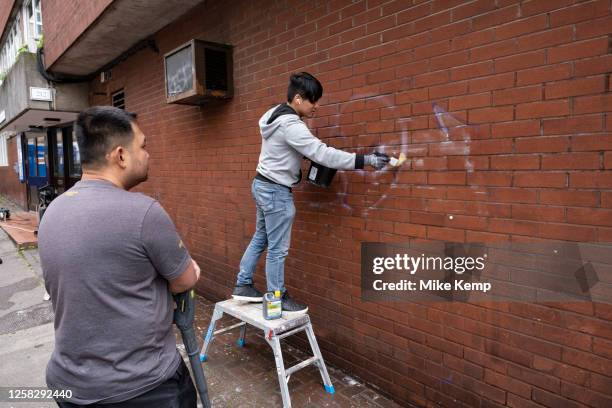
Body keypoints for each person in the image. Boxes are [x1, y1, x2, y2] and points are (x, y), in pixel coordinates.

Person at [38, 106, 201, 407]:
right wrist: (189, 269)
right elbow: (184, 281)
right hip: (143, 388)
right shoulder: (143, 212)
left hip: (69, 386)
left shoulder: (52, 212)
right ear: (120, 156)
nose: (148, 154)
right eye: (143, 146)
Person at [232, 72, 390, 313]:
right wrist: (365, 159)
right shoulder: (291, 125)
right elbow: (323, 154)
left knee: (261, 238)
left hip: (262, 184)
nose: (316, 106)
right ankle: (277, 297)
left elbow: (288, 148)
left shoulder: (274, 114)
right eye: (313, 100)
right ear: (297, 99)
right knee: (277, 249)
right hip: (275, 191)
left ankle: (243, 284)